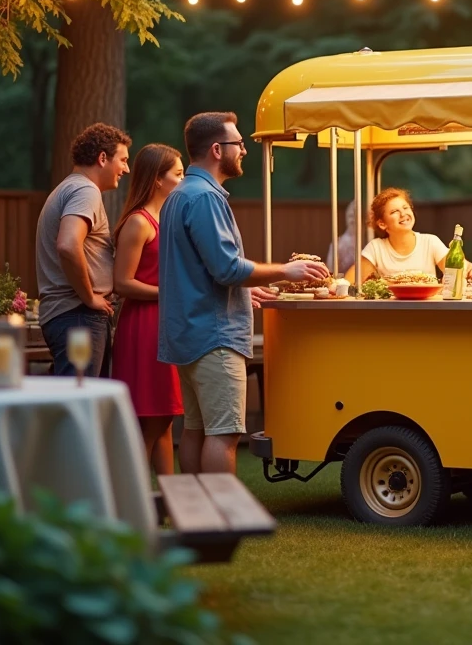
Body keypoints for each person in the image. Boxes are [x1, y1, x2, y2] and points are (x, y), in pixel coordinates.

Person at [159, 112, 330, 475]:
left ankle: (195, 514)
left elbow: (198, 270)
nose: (244, 151)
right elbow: (226, 268)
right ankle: (220, 519)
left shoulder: (178, 195)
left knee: (196, 429)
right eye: (239, 144)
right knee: (224, 434)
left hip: (188, 333)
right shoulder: (205, 198)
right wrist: (286, 270)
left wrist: (244, 291)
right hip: (214, 337)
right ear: (218, 150)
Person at [111, 144, 186, 477]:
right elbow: (122, 283)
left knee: (165, 418)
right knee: (150, 422)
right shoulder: (138, 223)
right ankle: (133, 505)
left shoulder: (165, 218)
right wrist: (170, 294)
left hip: (163, 324)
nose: (183, 181)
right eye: (178, 175)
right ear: (157, 179)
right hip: (143, 326)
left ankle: (171, 502)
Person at [35, 123, 131, 378]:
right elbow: (67, 244)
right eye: (122, 160)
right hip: (77, 315)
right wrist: (89, 297)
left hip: (71, 317)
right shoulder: (84, 190)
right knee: (80, 409)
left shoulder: (69, 187)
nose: (126, 168)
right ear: (102, 158)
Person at [351, 188, 472, 280]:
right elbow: (349, 282)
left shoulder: (430, 242)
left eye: (405, 208)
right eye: (394, 211)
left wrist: (468, 267)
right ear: (382, 224)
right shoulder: (375, 248)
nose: (403, 214)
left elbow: (456, 269)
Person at [327, 201, 358, 274]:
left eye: (356, 215)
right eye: (351, 215)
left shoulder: (368, 241)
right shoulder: (337, 244)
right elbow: (331, 271)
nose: (353, 219)